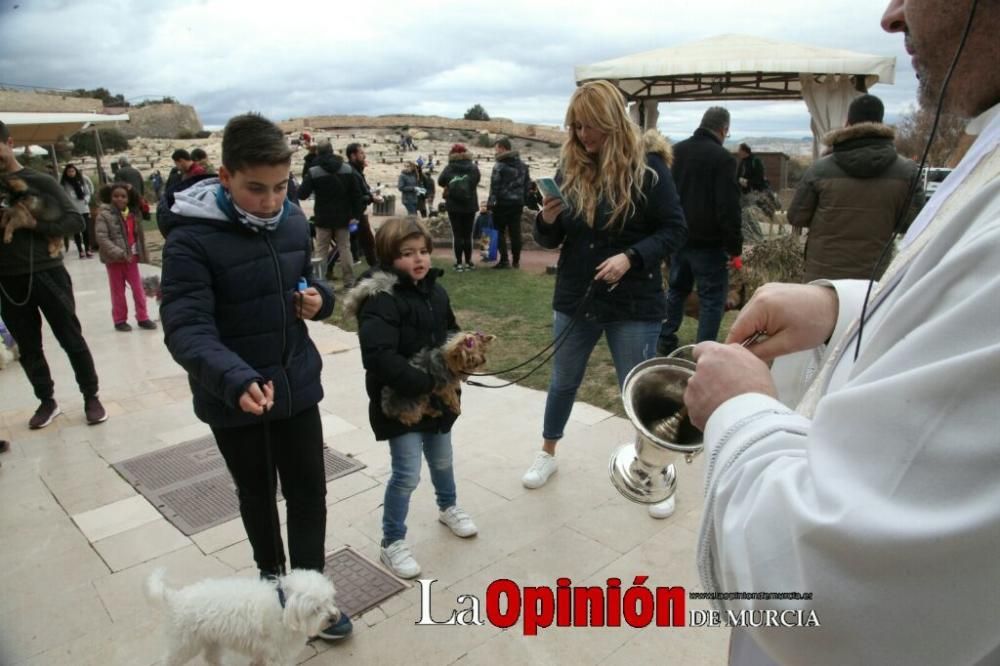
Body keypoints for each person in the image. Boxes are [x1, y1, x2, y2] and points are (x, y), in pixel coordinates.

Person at [684, 1, 1000, 664]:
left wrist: (744, 407)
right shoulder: (945, 158)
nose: (893, 15)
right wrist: (844, 306)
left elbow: (829, 589)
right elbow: (946, 284)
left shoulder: (823, 171)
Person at [159, 113, 351, 641]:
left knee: (310, 492)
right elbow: (184, 326)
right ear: (224, 178)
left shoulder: (291, 219)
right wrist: (234, 378)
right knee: (259, 497)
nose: (271, 201)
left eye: (281, 187)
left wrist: (320, 300)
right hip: (235, 395)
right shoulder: (189, 240)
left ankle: (311, 595)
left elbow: (304, 280)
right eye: (255, 189)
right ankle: (273, 592)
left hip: (296, 383)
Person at [520, 82, 687, 498]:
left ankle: (652, 471)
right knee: (562, 382)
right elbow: (551, 240)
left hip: (634, 302)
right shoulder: (571, 167)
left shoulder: (649, 168)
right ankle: (547, 452)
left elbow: (674, 229)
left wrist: (631, 256)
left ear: (613, 121)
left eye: (590, 125)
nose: (583, 135)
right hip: (578, 296)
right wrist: (547, 219)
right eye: (576, 126)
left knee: (639, 391)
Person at [345, 217, 478, 579]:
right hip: (400, 400)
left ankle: (448, 506)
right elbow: (378, 355)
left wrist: (463, 348)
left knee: (443, 460)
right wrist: (421, 382)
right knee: (406, 473)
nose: (418, 260)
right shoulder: (381, 300)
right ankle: (392, 541)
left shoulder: (436, 291)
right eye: (406, 254)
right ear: (390, 258)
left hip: (439, 397)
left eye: (422, 251)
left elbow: (449, 328)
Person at [0, 120, 108, 429]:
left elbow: (75, 221)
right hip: (7, 279)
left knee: (70, 337)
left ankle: (91, 396)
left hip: (47, 273)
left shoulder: (40, 181)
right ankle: (46, 401)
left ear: (9, 142)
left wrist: (36, 226)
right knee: (28, 346)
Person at [788, 94, 922, 282]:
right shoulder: (906, 171)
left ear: (847, 123)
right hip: (873, 275)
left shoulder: (820, 169)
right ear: (881, 123)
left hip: (822, 272)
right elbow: (912, 223)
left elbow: (796, 216)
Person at [656, 107, 742, 357]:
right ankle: (703, 350)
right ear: (723, 129)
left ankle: (665, 337)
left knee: (676, 291)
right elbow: (729, 207)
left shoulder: (676, 152)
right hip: (710, 244)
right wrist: (734, 247)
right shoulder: (723, 159)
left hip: (678, 238)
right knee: (713, 299)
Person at [296, 140, 363, 288]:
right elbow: (357, 194)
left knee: (321, 250)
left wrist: (309, 160)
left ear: (318, 153)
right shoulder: (347, 169)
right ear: (332, 151)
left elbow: (302, 194)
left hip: (323, 216)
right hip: (344, 216)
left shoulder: (314, 171)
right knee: (345, 248)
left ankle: (320, 282)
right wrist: (356, 216)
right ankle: (349, 280)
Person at [93, 182, 156, 332]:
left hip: (131, 260)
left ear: (128, 199)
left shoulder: (133, 214)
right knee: (118, 291)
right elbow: (102, 238)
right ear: (110, 197)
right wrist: (119, 253)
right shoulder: (104, 215)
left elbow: (142, 206)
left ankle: (143, 317)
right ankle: (120, 320)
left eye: (123, 196)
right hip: (115, 261)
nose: (119, 199)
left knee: (138, 290)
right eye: (115, 196)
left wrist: (132, 188)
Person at [483, 137, 530, 269]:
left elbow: (494, 187)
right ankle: (516, 261)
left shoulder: (499, 165)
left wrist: (490, 204)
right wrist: (523, 199)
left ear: (503, 148)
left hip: (502, 203)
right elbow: (528, 185)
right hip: (517, 203)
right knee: (515, 232)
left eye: (496, 148)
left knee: (499, 231)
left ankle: (504, 260)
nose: (496, 151)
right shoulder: (523, 165)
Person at [437, 144, 481, 271]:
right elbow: (476, 181)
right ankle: (468, 262)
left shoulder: (449, 167)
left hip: (453, 205)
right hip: (470, 205)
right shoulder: (473, 168)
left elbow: (440, 181)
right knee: (468, 235)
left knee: (457, 235)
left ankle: (458, 263)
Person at [346, 142, 379, 267]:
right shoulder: (352, 173)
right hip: (356, 215)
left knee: (352, 241)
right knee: (368, 242)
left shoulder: (356, 171)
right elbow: (357, 196)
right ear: (353, 156)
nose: (364, 156)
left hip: (356, 214)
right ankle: (376, 267)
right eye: (361, 153)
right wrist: (371, 198)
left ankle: (375, 266)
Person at [59, 164, 94, 258]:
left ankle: (88, 249)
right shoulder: (64, 183)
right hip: (72, 210)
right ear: (66, 173)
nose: (71, 173)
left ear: (76, 171)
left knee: (85, 230)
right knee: (76, 230)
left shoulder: (82, 180)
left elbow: (88, 192)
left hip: (84, 208)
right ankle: (80, 251)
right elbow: (62, 196)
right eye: (69, 171)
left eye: (73, 171)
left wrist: (86, 200)